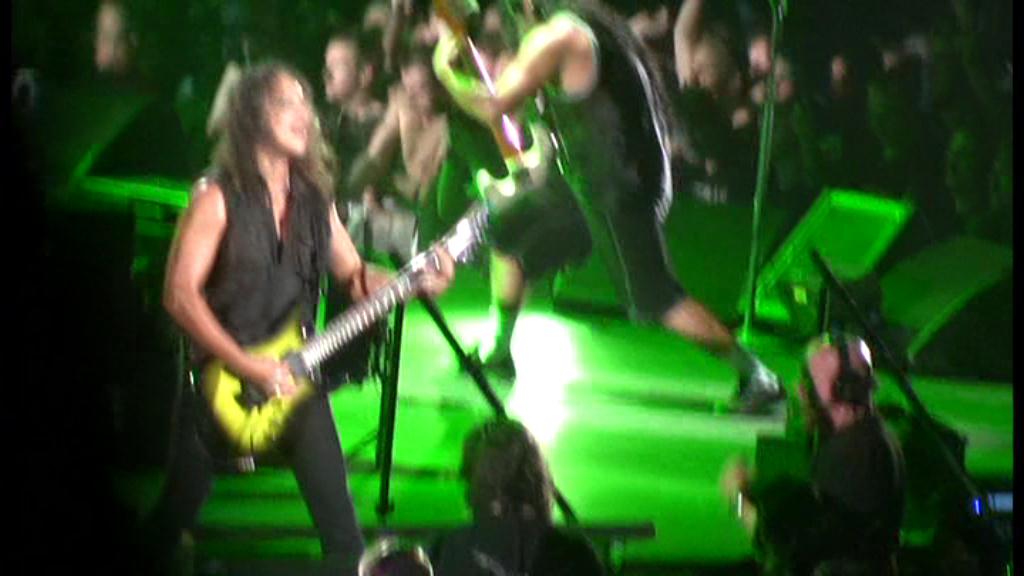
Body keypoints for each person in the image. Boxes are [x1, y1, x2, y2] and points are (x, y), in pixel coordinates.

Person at [142, 61, 455, 576]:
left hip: (296, 382)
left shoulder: (314, 200)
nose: (303, 114)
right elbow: (179, 296)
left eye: (306, 103)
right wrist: (247, 365)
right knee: (170, 521)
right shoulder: (216, 197)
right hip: (221, 389)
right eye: (286, 103)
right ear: (253, 116)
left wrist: (417, 283)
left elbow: (355, 277)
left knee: (345, 539)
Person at [432, 0, 783, 412]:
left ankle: (758, 376)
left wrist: (444, 70)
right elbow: (562, 113)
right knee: (508, 224)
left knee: (654, 298)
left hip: (617, 184)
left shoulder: (559, 36)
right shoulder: (570, 27)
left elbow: (494, 106)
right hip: (585, 175)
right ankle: (498, 351)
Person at [721, 332, 906, 575]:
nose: (799, 392)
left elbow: (788, 550)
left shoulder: (849, 456)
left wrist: (737, 500)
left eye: (806, 383)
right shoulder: (871, 437)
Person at [431, 418, 606, 576]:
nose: (500, 501)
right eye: (489, 487)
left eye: (509, 489)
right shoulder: (573, 555)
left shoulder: (450, 550)